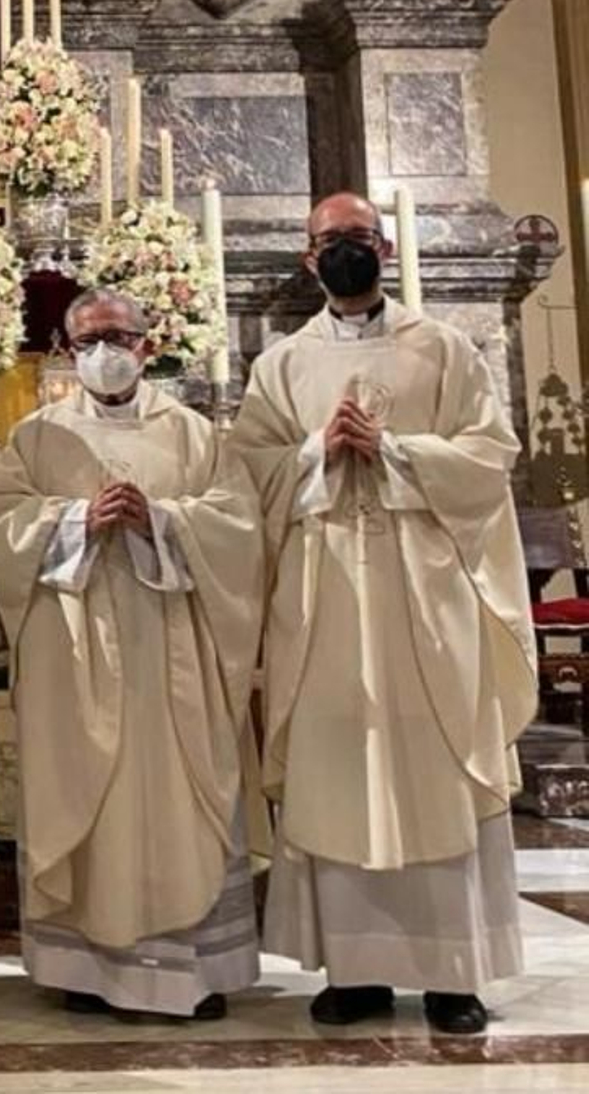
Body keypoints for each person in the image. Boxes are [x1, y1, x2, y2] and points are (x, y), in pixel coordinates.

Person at [229, 192, 536, 1036]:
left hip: (424, 591)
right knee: (339, 771)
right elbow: (247, 477)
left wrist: (394, 451)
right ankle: (356, 970)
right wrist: (314, 452)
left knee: (433, 765)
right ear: (307, 259)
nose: (345, 252)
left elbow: (490, 455)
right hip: (326, 594)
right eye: (329, 241)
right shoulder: (282, 366)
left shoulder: (442, 348)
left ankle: (452, 973)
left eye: (358, 238)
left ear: (387, 246)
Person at [0, 290, 264, 1020]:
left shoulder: (196, 435)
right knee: (85, 790)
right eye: (88, 340)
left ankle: (186, 969)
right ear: (67, 351)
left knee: (171, 791)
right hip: (75, 655)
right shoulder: (36, 438)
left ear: (147, 344)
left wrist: (161, 521)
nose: (105, 351)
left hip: (171, 655)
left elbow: (238, 529)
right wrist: (75, 518)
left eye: (119, 336)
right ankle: (86, 968)